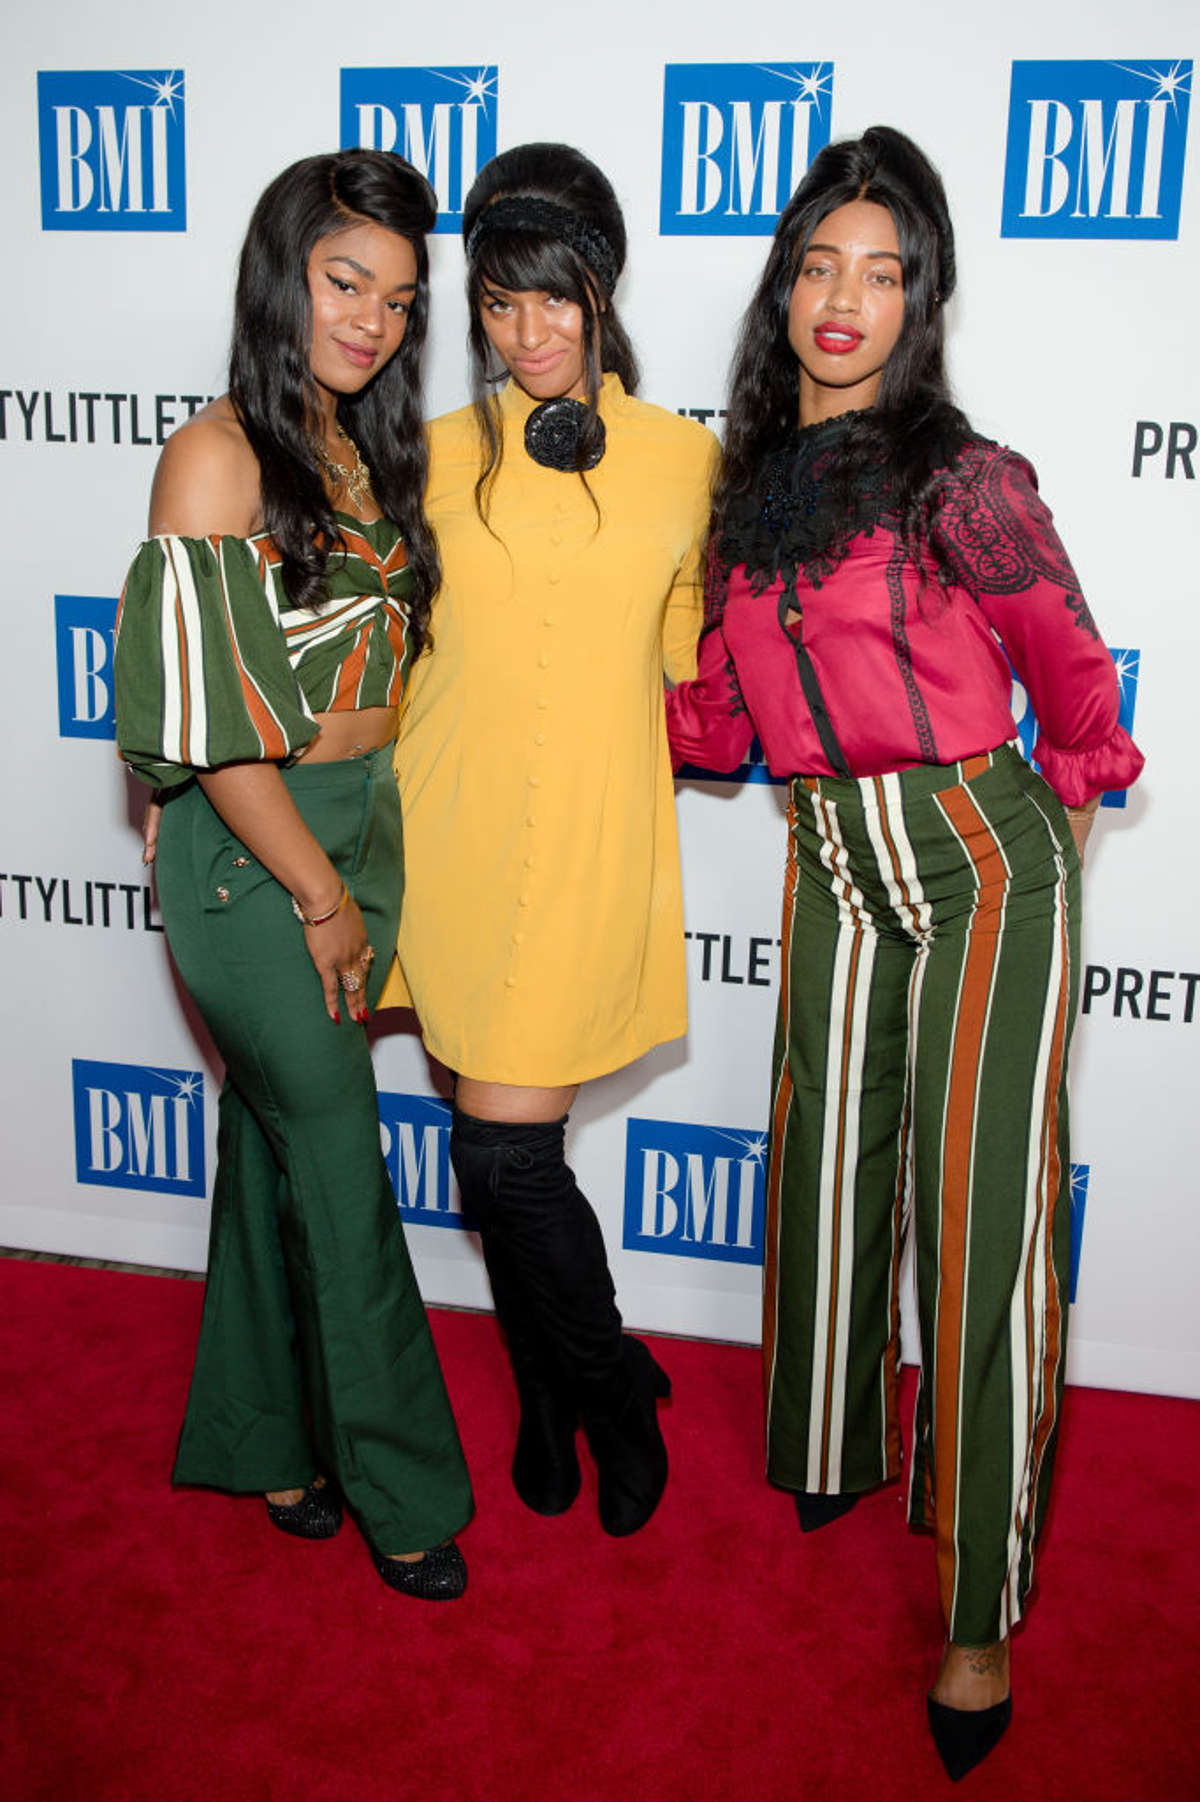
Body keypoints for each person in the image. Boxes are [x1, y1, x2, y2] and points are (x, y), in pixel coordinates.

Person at [665, 126, 1142, 1776]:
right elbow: (717, 717)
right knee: (824, 1168)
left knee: (983, 1223)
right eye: (820, 264)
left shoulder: (966, 482)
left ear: (920, 298)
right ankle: (835, 1441)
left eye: (882, 271)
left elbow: (1079, 699)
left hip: (984, 867)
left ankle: (978, 1615)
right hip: (829, 866)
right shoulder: (742, 497)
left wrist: (1033, 866)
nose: (844, 298)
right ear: (782, 287)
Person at [114, 149, 473, 1599]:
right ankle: (403, 1488)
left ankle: (263, 1437)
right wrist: (319, 892)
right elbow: (209, 730)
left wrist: (354, 862)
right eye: (343, 282)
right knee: (336, 1158)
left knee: (269, 1142)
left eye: (398, 298)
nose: (371, 320)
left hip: (355, 822)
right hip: (261, 850)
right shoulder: (217, 456)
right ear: (282, 274)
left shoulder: (361, 448)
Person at [378, 143, 717, 1537]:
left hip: (588, 837)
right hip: (445, 841)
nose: (528, 334)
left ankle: (609, 1382)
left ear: (603, 292)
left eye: (555, 299)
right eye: (499, 302)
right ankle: (551, 1383)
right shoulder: (430, 455)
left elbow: (692, 657)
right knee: (494, 1163)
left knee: (507, 1159)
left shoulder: (685, 460)